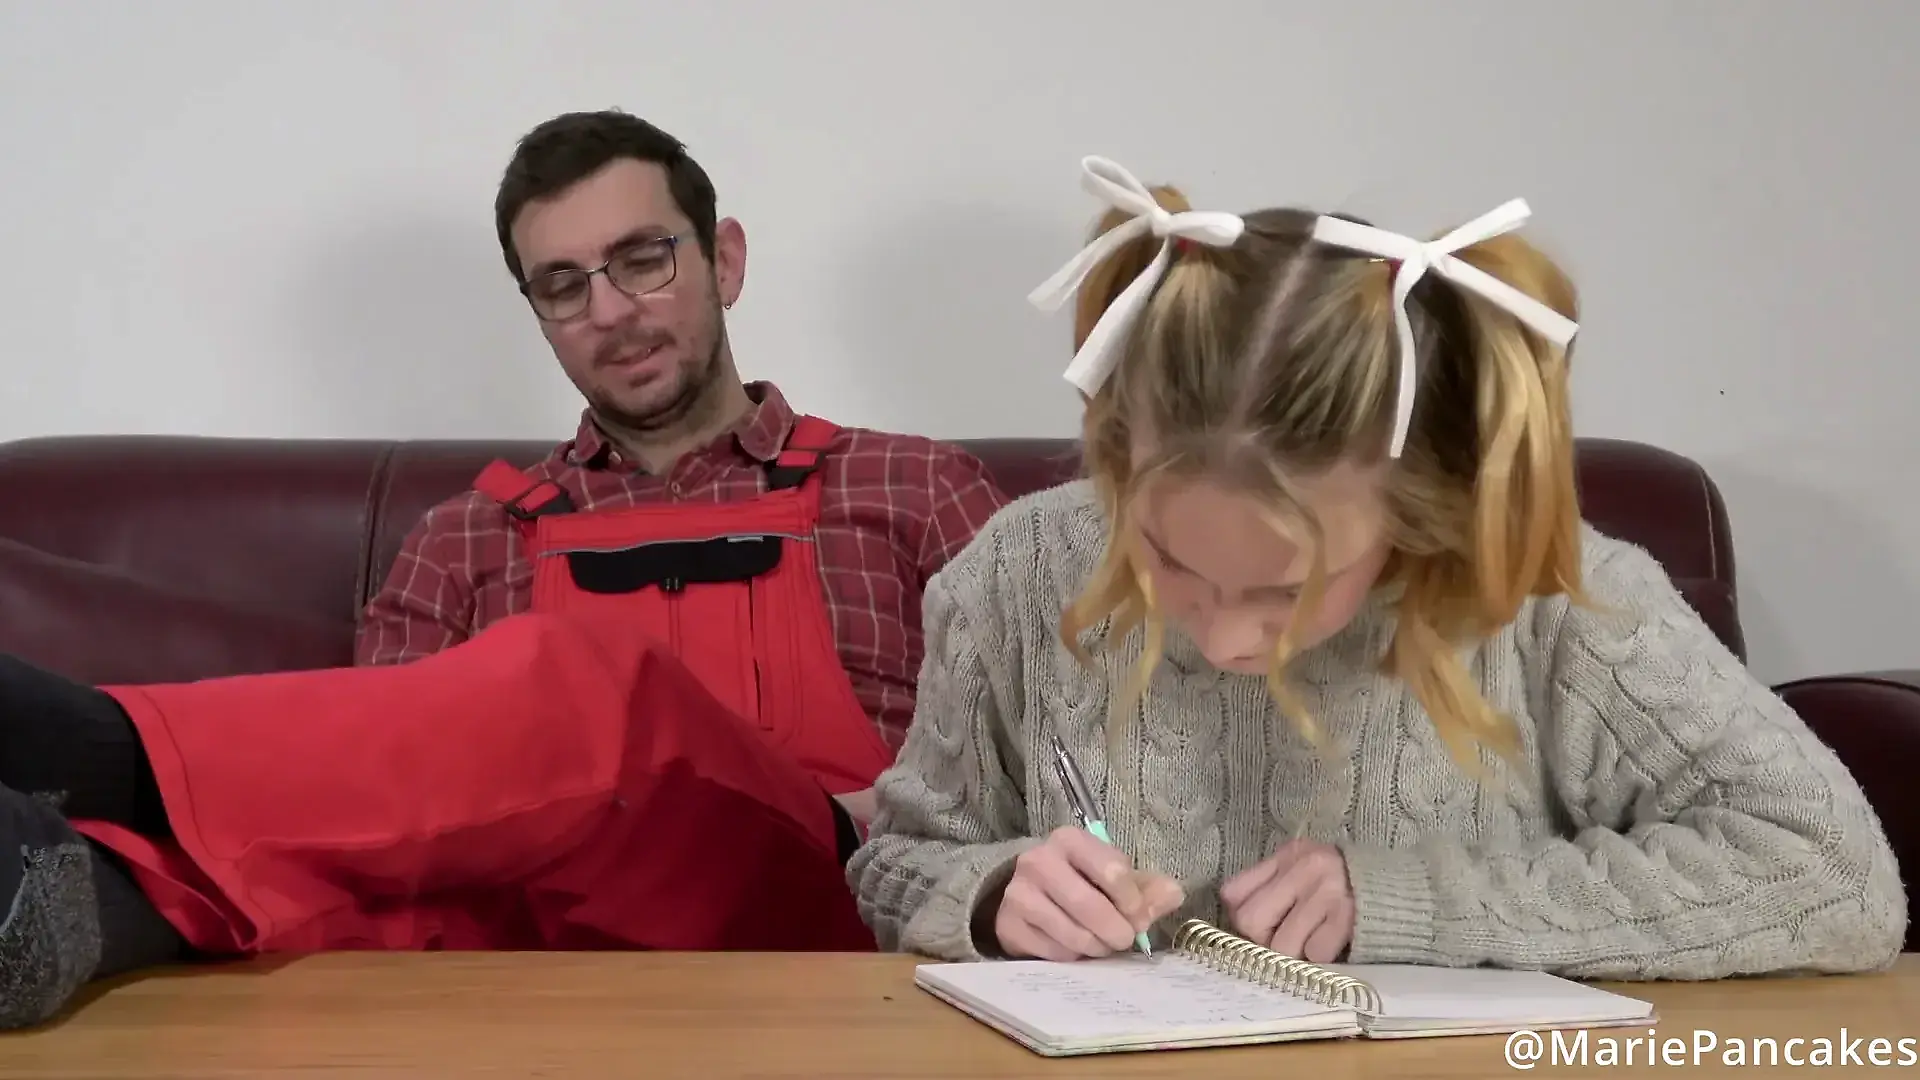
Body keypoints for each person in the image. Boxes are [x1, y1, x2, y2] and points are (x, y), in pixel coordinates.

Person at [0, 111, 1007, 1030]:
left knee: (586, 687)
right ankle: (65, 898)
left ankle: (86, 745)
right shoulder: (465, 539)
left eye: (642, 260)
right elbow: (361, 818)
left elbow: (1053, 743)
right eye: (564, 286)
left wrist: (921, 816)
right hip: (536, 957)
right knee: (400, 889)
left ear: (725, 260)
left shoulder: (911, 486)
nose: (609, 311)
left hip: (817, 907)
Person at [846, 157, 1907, 980]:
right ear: (1118, 466)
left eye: (1288, 592)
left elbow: (1835, 873)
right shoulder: (1021, 571)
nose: (1224, 637)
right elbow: (897, 862)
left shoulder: (1544, 598)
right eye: (1168, 560)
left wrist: (1423, 905)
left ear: (1415, 520)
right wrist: (991, 894)